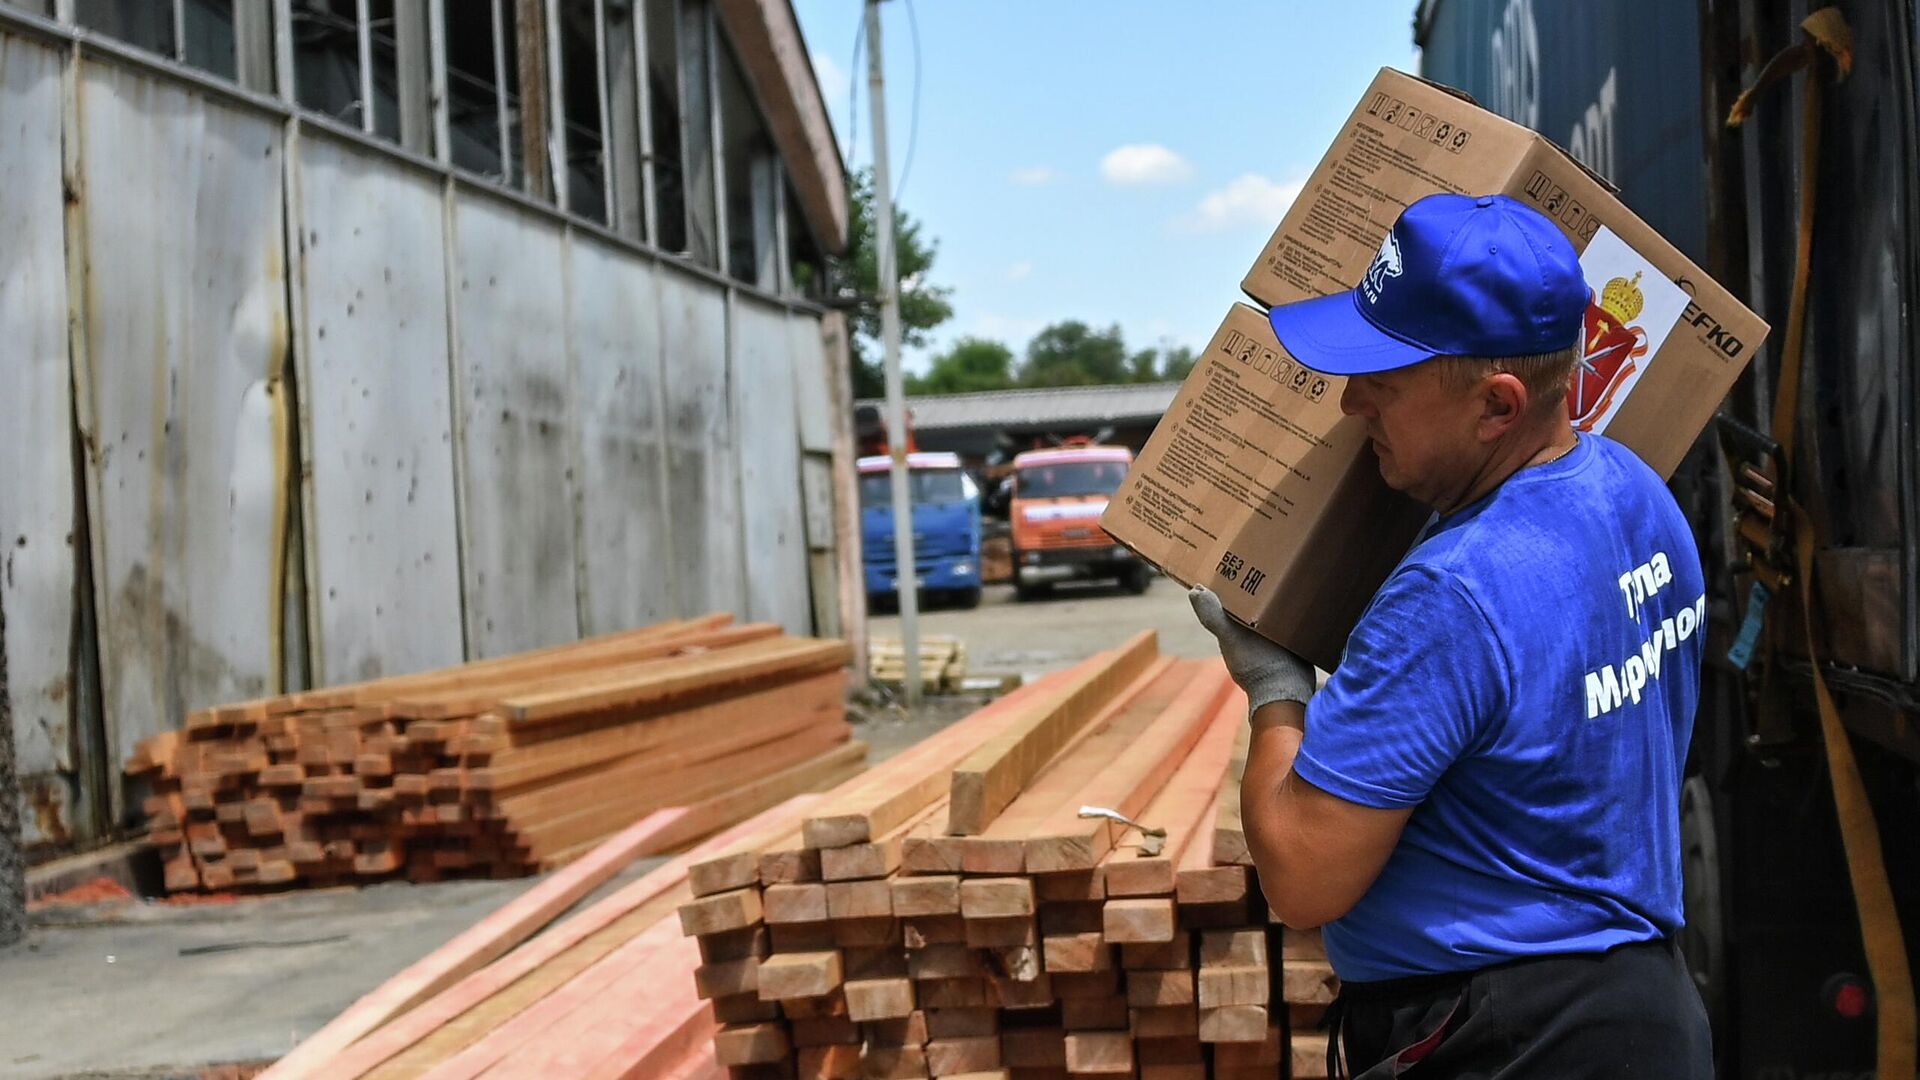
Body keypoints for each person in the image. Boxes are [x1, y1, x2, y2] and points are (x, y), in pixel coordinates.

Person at [1188, 193, 1713, 1078]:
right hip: (1643, 1014)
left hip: (1504, 1038)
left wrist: (1274, 690)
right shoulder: (1635, 494)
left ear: (1497, 406)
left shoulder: (1451, 595)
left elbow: (1302, 878)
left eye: (1383, 383)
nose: (1352, 404)